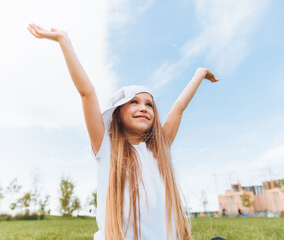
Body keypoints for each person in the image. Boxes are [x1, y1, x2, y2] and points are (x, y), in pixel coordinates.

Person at [27, 24, 225, 240]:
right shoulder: (106, 147)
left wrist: (200, 73)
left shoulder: (160, 148)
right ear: (117, 114)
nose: (143, 108)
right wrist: (63, 40)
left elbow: (178, 107)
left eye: (149, 105)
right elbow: (87, 93)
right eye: (134, 102)